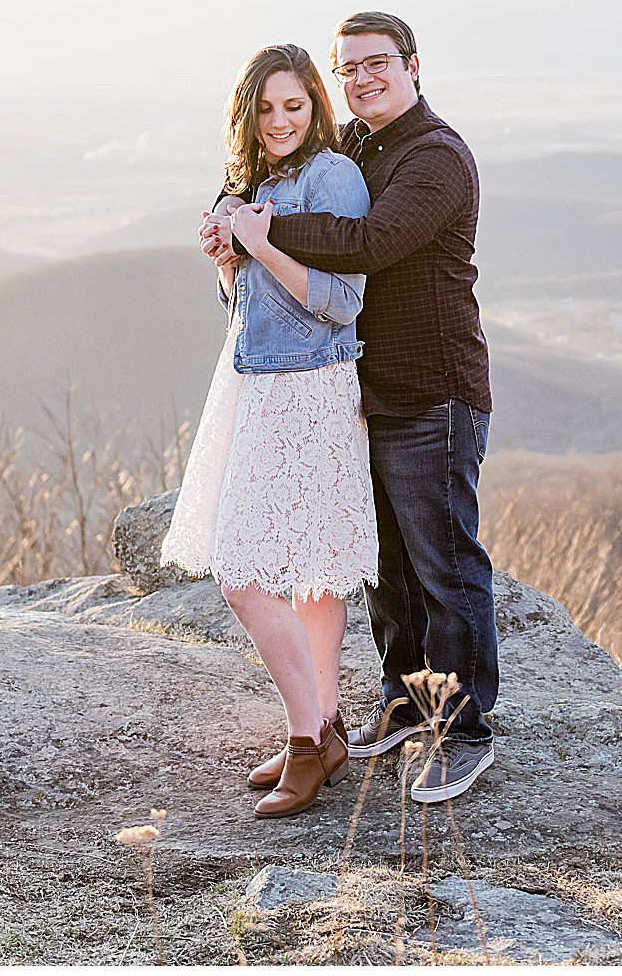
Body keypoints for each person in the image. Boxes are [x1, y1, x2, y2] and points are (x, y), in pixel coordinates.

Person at [202, 10, 497, 804]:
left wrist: (256, 229)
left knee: (444, 561)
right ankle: (406, 701)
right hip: (372, 390)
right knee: (388, 568)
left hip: (435, 388)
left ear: (412, 66)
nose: (362, 78)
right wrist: (236, 233)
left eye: (377, 63)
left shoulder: (435, 158)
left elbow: (364, 247)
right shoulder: (366, 147)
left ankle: (463, 729)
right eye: (350, 68)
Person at [160, 42, 379, 819]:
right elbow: (249, 306)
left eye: (296, 104)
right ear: (247, 114)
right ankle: (325, 723)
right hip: (255, 383)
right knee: (306, 569)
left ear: (316, 105)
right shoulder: (251, 181)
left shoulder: (332, 177)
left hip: (312, 388)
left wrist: (258, 244)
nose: (282, 120)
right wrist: (228, 262)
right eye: (267, 107)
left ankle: (303, 744)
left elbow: (341, 301)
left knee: (245, 572)